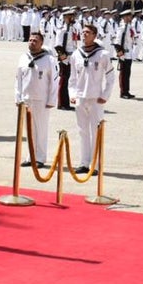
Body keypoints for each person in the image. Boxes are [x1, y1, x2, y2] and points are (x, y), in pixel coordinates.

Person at [69, 23, 114, 175]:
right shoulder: (76, 54)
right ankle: (84, 162)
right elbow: (73, 78)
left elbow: (110, 77)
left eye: (88, 32)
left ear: (94, 36)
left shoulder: (103, 54)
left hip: (96, 98)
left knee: (96, 131)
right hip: (81, 97)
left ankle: (95, 164)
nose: (84, 35)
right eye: (83, 32)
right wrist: (72, 94)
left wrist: (105, 95)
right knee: (82, 131)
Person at [15, 30, 59, 168]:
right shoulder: (23, 57)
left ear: (41, 43)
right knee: (29, 130)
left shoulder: (49, 60)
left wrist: (52, 100)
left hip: (41, 99)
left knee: (41, 130)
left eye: (35, 41)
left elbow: (55, 80)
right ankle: (30, 156)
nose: (32, 43)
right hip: (26, 98)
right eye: (30, 40)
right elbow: (18, 79)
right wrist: (18, 97)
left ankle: (40, 158)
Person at [115, 9, 136, 99]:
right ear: (125, 17)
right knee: (123, 74)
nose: (130, 17)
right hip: (124, 53)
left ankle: (127, 91)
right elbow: (117, 41)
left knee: (127, 73)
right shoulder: (122, 27)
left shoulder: (129, 26)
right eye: (129, 16)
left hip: (129, 53)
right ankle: (123, 92)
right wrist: (119, 51)